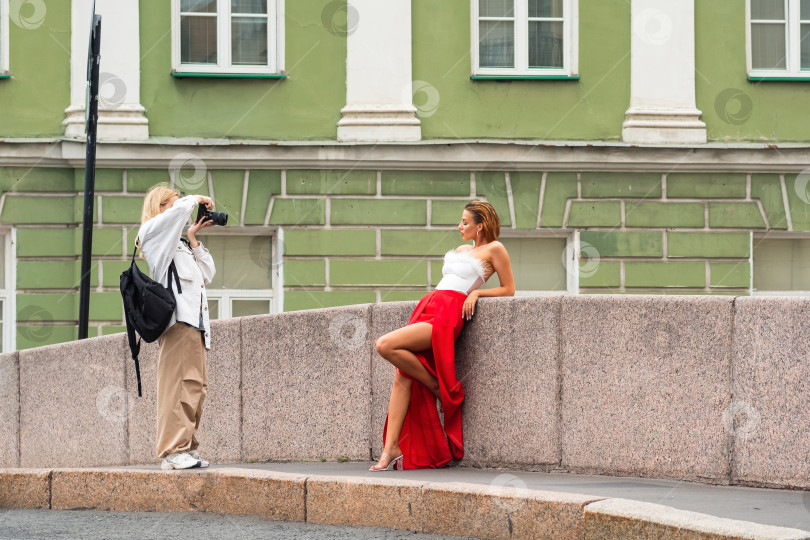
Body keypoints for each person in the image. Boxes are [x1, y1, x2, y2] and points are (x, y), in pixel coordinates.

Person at [372, 200, 515, 470]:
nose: (459, 226)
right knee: (402, 377)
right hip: (429, 305)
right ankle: (390, 448)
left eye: (464, 222)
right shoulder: (463, 249)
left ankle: (436, 386)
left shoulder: (495, 249)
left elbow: (509, 289)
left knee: (385, 345)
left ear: (480, 225)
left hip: (448, 312)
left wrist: (476, 292)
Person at [136, 183, 216, 470]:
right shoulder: (152, 235)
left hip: (195, 324)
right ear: (159, 208)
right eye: (174, 202)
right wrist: (194, 199)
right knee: (177, 386)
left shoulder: (178, 245)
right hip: (178, 323)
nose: (182, 206)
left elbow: (208, 273)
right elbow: (171, 218)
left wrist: (193, 238)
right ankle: (172, 450)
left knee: (195, 387)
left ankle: (187, 448)